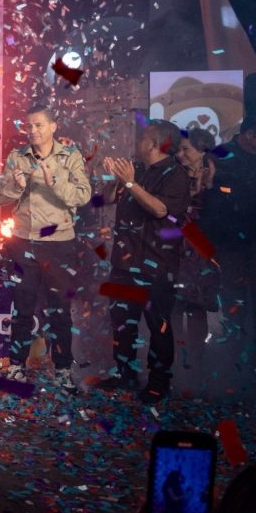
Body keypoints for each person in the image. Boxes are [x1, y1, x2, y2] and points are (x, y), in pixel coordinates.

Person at [0, 104, 91, 391]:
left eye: (38, 125)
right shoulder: (17, 157)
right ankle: (16, 366)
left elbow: (83, 196)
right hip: (23, 242)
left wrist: (55, 181)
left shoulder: (69, 156)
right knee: (22, 307)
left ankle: (61, 369)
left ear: (53, 126)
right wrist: (15, 187)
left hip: (59, 244)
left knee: (59, 309)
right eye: (28, 126)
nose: (32, 131)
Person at [97, 119, 190, 403]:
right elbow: (107, 200)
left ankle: (159, 382)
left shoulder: (176, 174)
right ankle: (125, 372)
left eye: (143, 139)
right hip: (125, 261)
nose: (137, 143)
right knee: (122, 320)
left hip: (156, 263)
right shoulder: (135, 169)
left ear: (154, 143)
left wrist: (129, 182)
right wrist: (116, 181)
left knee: (158, 324)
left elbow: (160, 209)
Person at [172, 128, 219, 383]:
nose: (180, 155)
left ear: (202, 151)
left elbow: (219, 214)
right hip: (175, 247)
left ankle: (198, 359)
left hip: (201, 249)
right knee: (175, 303)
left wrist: (209, 187)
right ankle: (177, 359)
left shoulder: (216, 176)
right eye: (179, 149)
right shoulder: (175, 175)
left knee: (197, 305)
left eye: (185, 150)